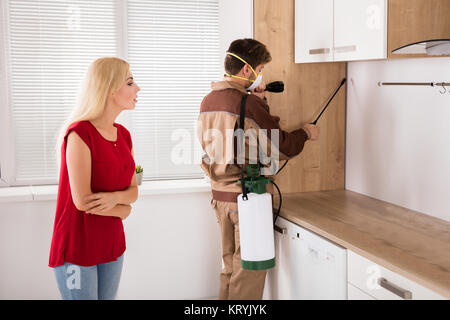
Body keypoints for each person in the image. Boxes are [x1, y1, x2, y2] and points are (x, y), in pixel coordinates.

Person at [197, 38, 320, 300]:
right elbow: (282, 146)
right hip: (247, 200)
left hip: (220, 198)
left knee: (229, 268)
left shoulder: (208, 101)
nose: (260, 75)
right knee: (250, 272)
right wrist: (306, 133)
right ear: (246, 71)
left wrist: (257, 104)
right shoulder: (249, 104)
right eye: (260, 68)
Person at [49, 57, 140, 300]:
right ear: (110, 89)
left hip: (112, 243)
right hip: (77, 246)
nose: (138, 88)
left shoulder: (124, 136)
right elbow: (82, 202)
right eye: (130, 82)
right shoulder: (80, 133)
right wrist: (123, 210)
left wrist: (119, 201)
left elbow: (133, 192)